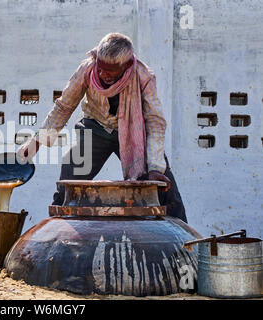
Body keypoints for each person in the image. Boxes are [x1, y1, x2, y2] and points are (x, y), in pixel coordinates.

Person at [18, 33, 187, 223]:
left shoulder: (143, 75)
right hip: (95, 128)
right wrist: (37, 142)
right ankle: (55, 230)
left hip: (134, 133)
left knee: (164, 185)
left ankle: (185, 244)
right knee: (71, 173)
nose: (103, 74)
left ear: (126, 67)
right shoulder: (87, 68)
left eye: (111, 71)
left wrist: (155, 167)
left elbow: (155, 121)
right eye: (101, 68)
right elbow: (64, 106)